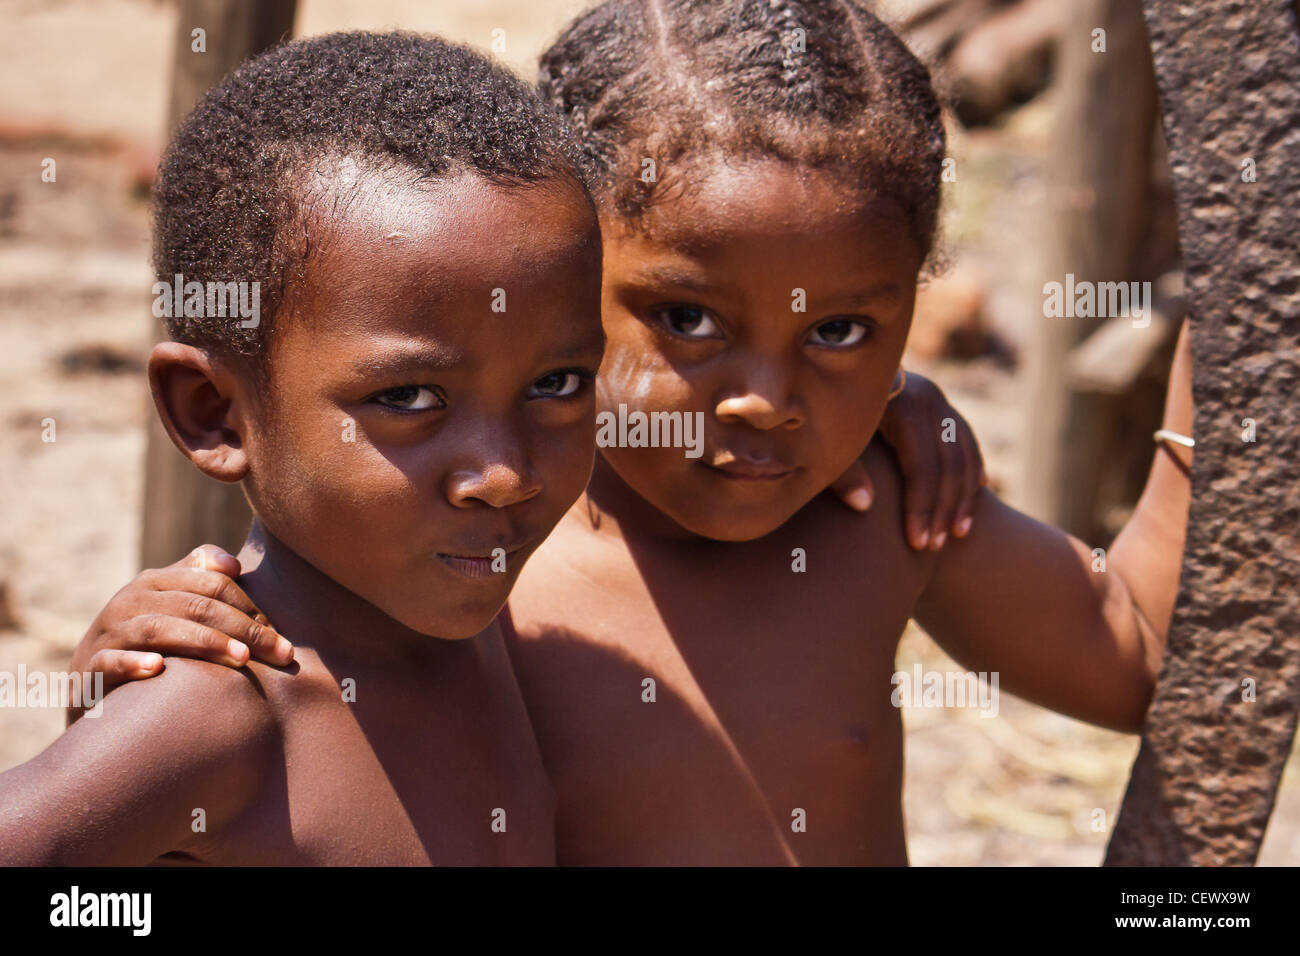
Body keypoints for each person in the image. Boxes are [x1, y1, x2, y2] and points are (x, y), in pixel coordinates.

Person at [68, 0, 1193, 865]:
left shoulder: (880, 505)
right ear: (554, 275)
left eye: (843, 328)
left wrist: (1241, 335)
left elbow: (1141, 653)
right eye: (687, 318)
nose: (765, 397)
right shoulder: (465, 556)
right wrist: (123, 670)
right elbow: (255, 751)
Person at [0, 30, 609, 865]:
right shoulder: (216, 714)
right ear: (213, 413)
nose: (503, 475)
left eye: (558, 384)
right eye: (407, 398)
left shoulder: (504, 644)